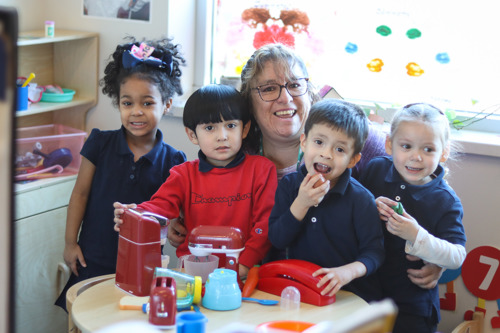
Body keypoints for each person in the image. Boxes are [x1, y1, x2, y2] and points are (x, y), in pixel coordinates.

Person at [167, 43, 444, 290]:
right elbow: (213, 205)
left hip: (344, 288)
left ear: (308, 91)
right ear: (248, 101)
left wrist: (435, 253)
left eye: (295, 85)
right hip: (263, 285)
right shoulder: (236, 150)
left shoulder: (353, 136)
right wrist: (181, 222)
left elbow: (424, 180)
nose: (285, 98)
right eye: (269, 88)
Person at [55, 37, 187, 311]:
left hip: (144, 266)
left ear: (167, 104)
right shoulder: (99, 143)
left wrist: (177, 227)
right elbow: (79, 194)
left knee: (131, 320)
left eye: (148, 103)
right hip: (92, 257)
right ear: (119, 103)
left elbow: (174, 214)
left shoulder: (174, 160)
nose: (136, 112)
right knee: (85, 317)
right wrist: (70, 243)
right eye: (127, 103)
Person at [113, 84, 278, 278]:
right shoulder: (183, 175)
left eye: (231, 126)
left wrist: (245, 264)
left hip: (242, 273)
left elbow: (265, 224)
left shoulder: (262, 170)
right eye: (210, 128)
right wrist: (134, 213)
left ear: (245, 129)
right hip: (194, 274)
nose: (222, 136)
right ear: (192, 135)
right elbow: (160, 206)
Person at [359, 103, 466, 332]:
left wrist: (417, 236)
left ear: (444, 152)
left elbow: (457, 256)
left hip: (412, 310)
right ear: (389, 144)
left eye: (428, 149)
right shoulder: (375, 169)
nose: (416, 157)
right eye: (406, 146)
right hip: (365, 298)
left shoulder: (445, 200)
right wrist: (368, 207)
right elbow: (347, 211)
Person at [267, 99, 385, 302]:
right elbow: (277, 240)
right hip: (303, 291)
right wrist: (301, 203)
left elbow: (375, 254)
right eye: (319, 142)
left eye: (339, 149)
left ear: (353, 160)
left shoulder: (361, 199)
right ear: (304, 142)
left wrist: (346, 272)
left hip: (349, 296)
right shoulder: (289, 186)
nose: (326, 154)